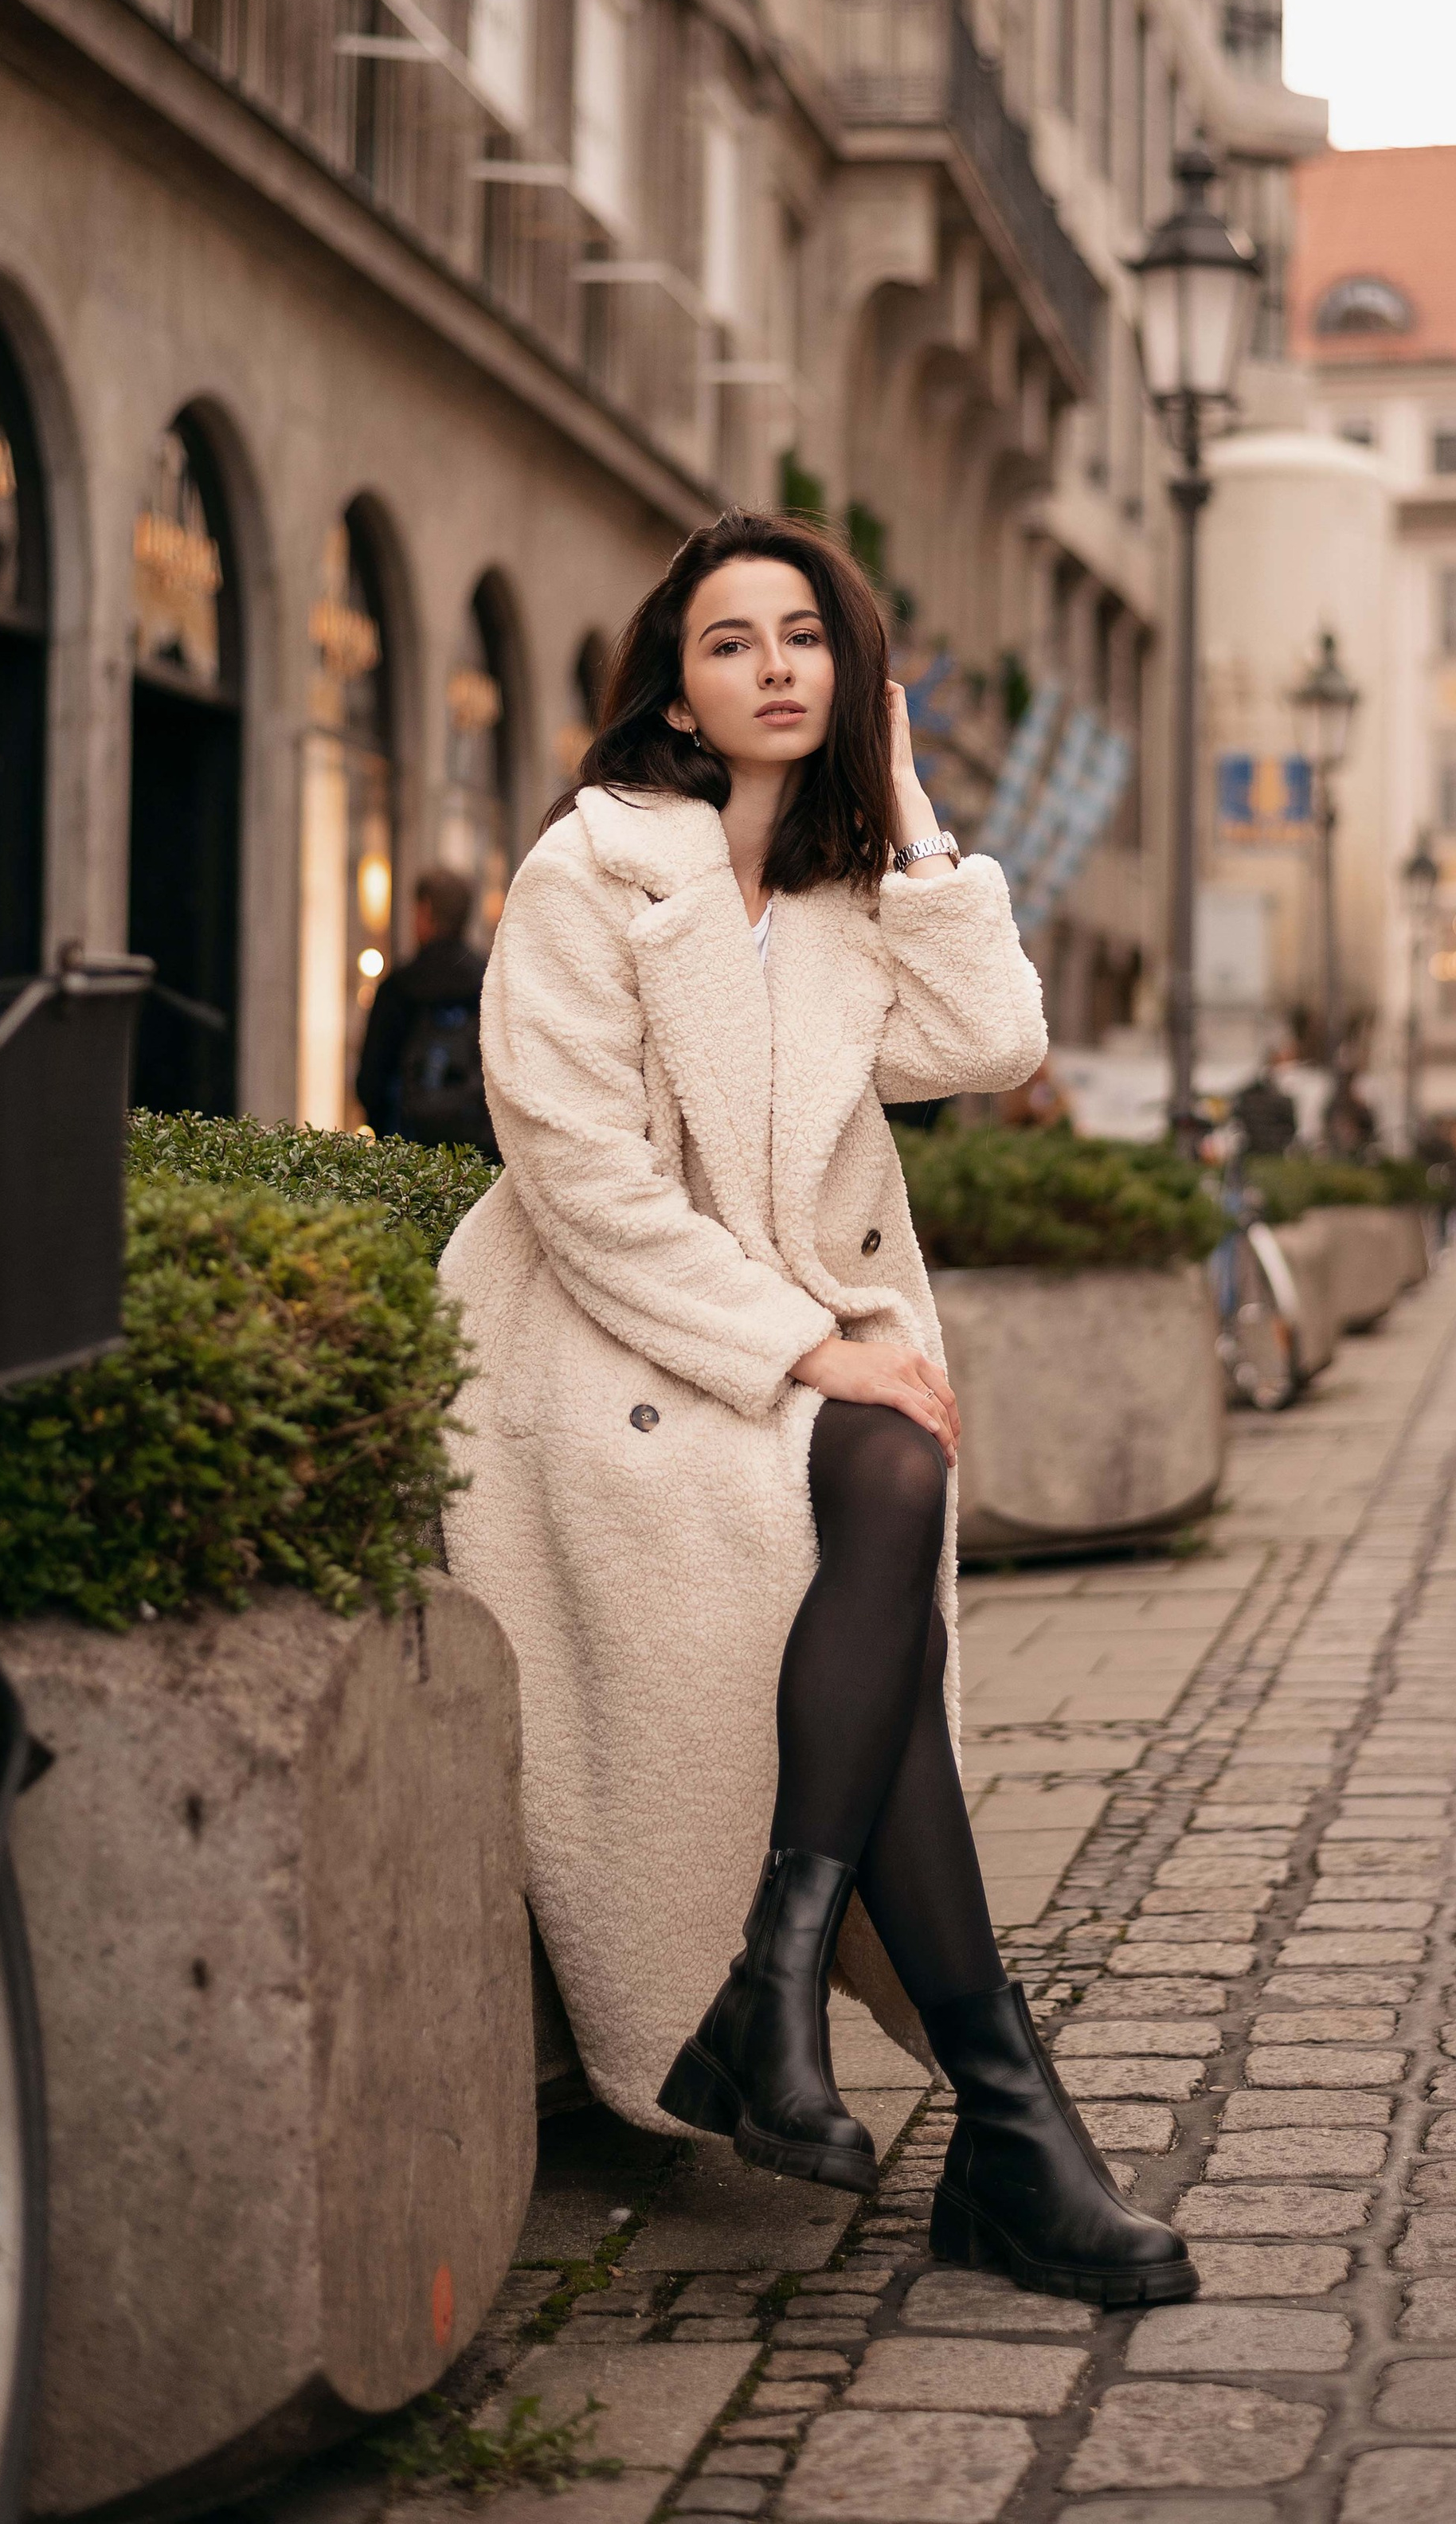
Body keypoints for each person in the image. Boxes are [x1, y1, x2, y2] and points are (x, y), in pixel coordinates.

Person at [437, 513, 1196, 2310]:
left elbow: (995, 1043)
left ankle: (799, 2004)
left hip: (766, 1348)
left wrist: (915, 810)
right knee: (882, 1477)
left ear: (852, 676)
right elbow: (581, 1182)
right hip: (604, 1347)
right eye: (730, 641)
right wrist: (801, 1346)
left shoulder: (857, 898)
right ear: (676, 695)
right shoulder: (592, 871)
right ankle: (980, 2116)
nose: (773, 665)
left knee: (889, 1474)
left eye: (806, 636)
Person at [355, 865, 497, 1154]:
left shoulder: (399, 987)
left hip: (406, 1156)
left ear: (425, 911)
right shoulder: (491, 981)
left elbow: (370, 1084)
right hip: (479, 1157)